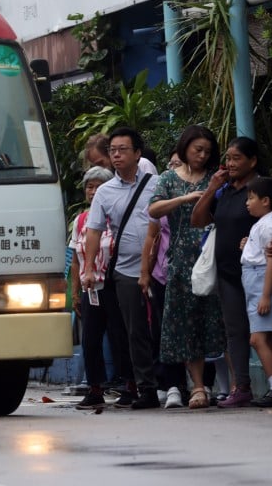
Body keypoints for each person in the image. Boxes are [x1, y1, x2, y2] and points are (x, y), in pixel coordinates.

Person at [191, 136, 272, 408]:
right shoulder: (224, 190)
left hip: (260, 273)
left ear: (253, 161)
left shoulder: (262, 187)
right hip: (229, 273)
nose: (230, 163)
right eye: (227, 158)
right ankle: (242, 387)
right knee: (235, 331)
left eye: (237, 158)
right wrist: (212, 188)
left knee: (269, 331)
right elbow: (198, 219)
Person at [148, 125, 227, 410]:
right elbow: (153, 210)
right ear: (185, 147)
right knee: (186, 323)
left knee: (214, 321)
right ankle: (197, 386)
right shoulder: (168, 178)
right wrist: (184, 198)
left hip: (212, 255)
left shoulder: (215, 177)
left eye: (207, 151)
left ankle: (222, 385)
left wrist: (212, 189)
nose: (202, 155)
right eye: (198, 150)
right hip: (181, 260)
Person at [83, 126, 160, 409]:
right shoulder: (104, 192)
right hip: (127, 269)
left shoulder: (156, 183)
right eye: (112, 150)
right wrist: (89, 269)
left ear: (138, 153)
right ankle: (146, 389)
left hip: (160, 266)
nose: (116, 155)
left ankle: (178, 385)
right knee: (135, 330)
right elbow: (93, 231)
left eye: (122, 149)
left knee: (163, 326)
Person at [69, 165, 129, 410]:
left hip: (114, 284)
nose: (93, 192)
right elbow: (75, 259)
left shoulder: (117, 217)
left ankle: (130, 386)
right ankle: (95, 389)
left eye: (99, 187)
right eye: (89, 187)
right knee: (90, 340)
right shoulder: (81, 220)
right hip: (89, 287)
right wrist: (75, 292)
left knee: (120, 336)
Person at [240, 176, 272, 407]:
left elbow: (271, 261)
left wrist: (265, 295)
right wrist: (247, 246)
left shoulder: (271, 225)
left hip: (264, 280)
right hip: (256, 279)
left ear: (266, 200)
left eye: (251, 198)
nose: (247, 203)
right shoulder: (262, 223)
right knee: (271, 338)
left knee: (257, 339)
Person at [142, 149, 188, 409]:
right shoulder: (163, 192)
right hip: (163, 273)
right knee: (164, 330)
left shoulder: (201, 189)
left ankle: (200, 385)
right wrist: (145, 272)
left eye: (178, 163)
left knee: (191, 329)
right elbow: (151, 235)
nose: (173, 168)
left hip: (193, 271)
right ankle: (171, 385)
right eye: (170, 163)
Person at [85, 132, 158, 178]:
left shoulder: (142, 165)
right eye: (94, 166)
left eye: (100, 163)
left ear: (109, 153)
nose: (98, 169)